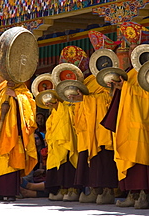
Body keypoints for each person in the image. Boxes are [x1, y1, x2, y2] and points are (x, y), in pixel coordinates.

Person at [101, 21, 149, 209]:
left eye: (136, 47)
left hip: (143, 123)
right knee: (128, 158)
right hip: (126, 123)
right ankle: (132, 195)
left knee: (142, 160)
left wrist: (125, 88)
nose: (133, 51)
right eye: (131, 47)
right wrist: (118, 88)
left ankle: (143, 195)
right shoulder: (129, 72)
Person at [0, 57, 37, 202]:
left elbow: (30, 103)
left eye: (0, 69)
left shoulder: (19, 87)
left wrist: (16, 96)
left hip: (11, 131)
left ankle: (8, 192)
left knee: (8, 158)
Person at [73, 31, 119, 205]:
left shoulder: (112, 77)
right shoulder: (90, 79)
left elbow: (109, 100)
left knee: (104, 160)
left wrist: (86, 99)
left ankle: (107, 190)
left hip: (103, 127)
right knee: (89, 161)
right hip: (87, 127)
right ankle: (94, 189)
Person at [44, 46, 88, 202]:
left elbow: (83, 104)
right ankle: (61, 189)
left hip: (75, 127)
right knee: (59, 157)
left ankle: (73, 189)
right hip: (60, 127)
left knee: (72, 157)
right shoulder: (58, 87)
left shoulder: (82, 85)